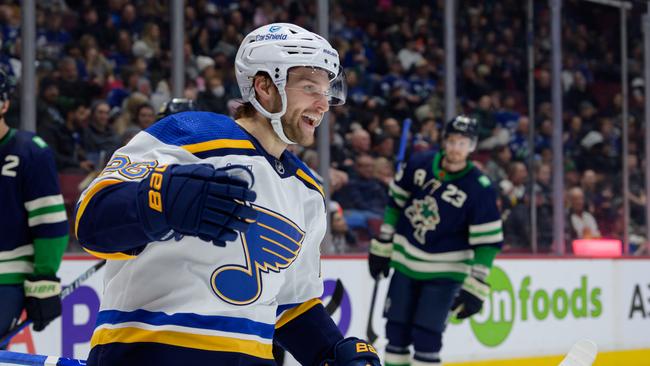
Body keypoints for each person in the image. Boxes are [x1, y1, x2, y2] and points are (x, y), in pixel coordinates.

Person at [75, 23, 380, 366]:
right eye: (310, 88)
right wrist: (159, 201)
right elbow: (91, 221)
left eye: (327, 91)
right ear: (265, 86)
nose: (323, 104)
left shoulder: (307, 189)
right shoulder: (191, 134)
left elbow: (291, 302)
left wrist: (329, 352)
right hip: (150, 353)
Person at [368, 115, 503, 366]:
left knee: (426, 338)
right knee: (396, 333)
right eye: (452, 141)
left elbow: (487, 242)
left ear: (472, 146)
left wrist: (477, 283)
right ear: (444, 141)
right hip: (406, 264)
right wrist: (383, 243)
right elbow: (395, 204)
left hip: (445, 273)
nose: (456, 148)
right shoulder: (420, 163)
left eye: (463, 143)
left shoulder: (479, 187)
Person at [0, 69, 69, 346]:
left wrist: (43, 281)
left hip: (7, 280)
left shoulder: (30, 151)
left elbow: (50, 224)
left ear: (4, 104)